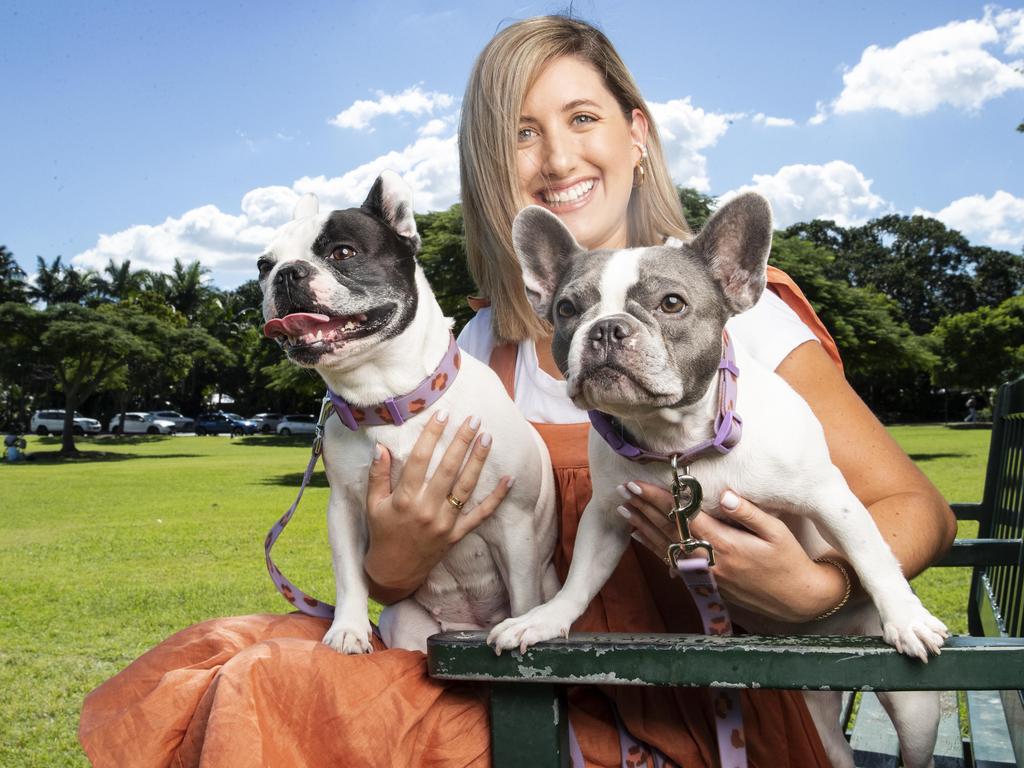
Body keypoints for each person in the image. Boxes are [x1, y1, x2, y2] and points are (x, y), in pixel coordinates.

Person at [79, 15, 956, 767]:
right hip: (517, 686)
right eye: (520, 133)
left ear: (637, 133)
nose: (556, 155)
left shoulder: (727, 321)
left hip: (688, 703)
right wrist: (398, 555)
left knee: (276, 695)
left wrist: (820, 591)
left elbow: (913, 505)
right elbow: (405, 583)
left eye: (582, 117)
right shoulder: (469, 351)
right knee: (234, 668)